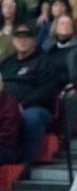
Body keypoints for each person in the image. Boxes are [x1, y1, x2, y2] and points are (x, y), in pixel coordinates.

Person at [0, 21, 56, 167]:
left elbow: (47, 90)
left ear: (34, 40)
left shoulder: (44, 61)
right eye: (18, 37)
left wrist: (22, 105)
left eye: (27, 37)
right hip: (6, 106)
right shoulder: (7, 63)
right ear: (13, 40)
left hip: (36, 108)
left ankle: (26, 164)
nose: (22, 40)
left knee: (30, 117)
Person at [43, 14, 77, 143]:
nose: (65, 26)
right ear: (55, 27)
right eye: (62, 23)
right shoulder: (48, 48)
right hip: (52, 85)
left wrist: (73, 85)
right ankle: (46, 133)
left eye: (69, 24)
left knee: (69, 96)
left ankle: (65, 135)